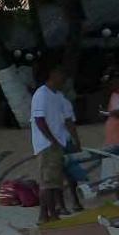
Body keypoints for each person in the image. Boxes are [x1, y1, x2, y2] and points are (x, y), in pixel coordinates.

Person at [31, 65, 72, 223]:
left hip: (56, 143)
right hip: (47, 144)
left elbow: (66, 120)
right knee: (47, 182)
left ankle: (48, 214)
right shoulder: (42, 94)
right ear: (53, 74)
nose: (64, 79)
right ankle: (48, 215)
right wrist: (52, 140)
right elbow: (39, 120)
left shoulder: (58, 95)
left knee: (53, 182)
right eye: (61, 75)